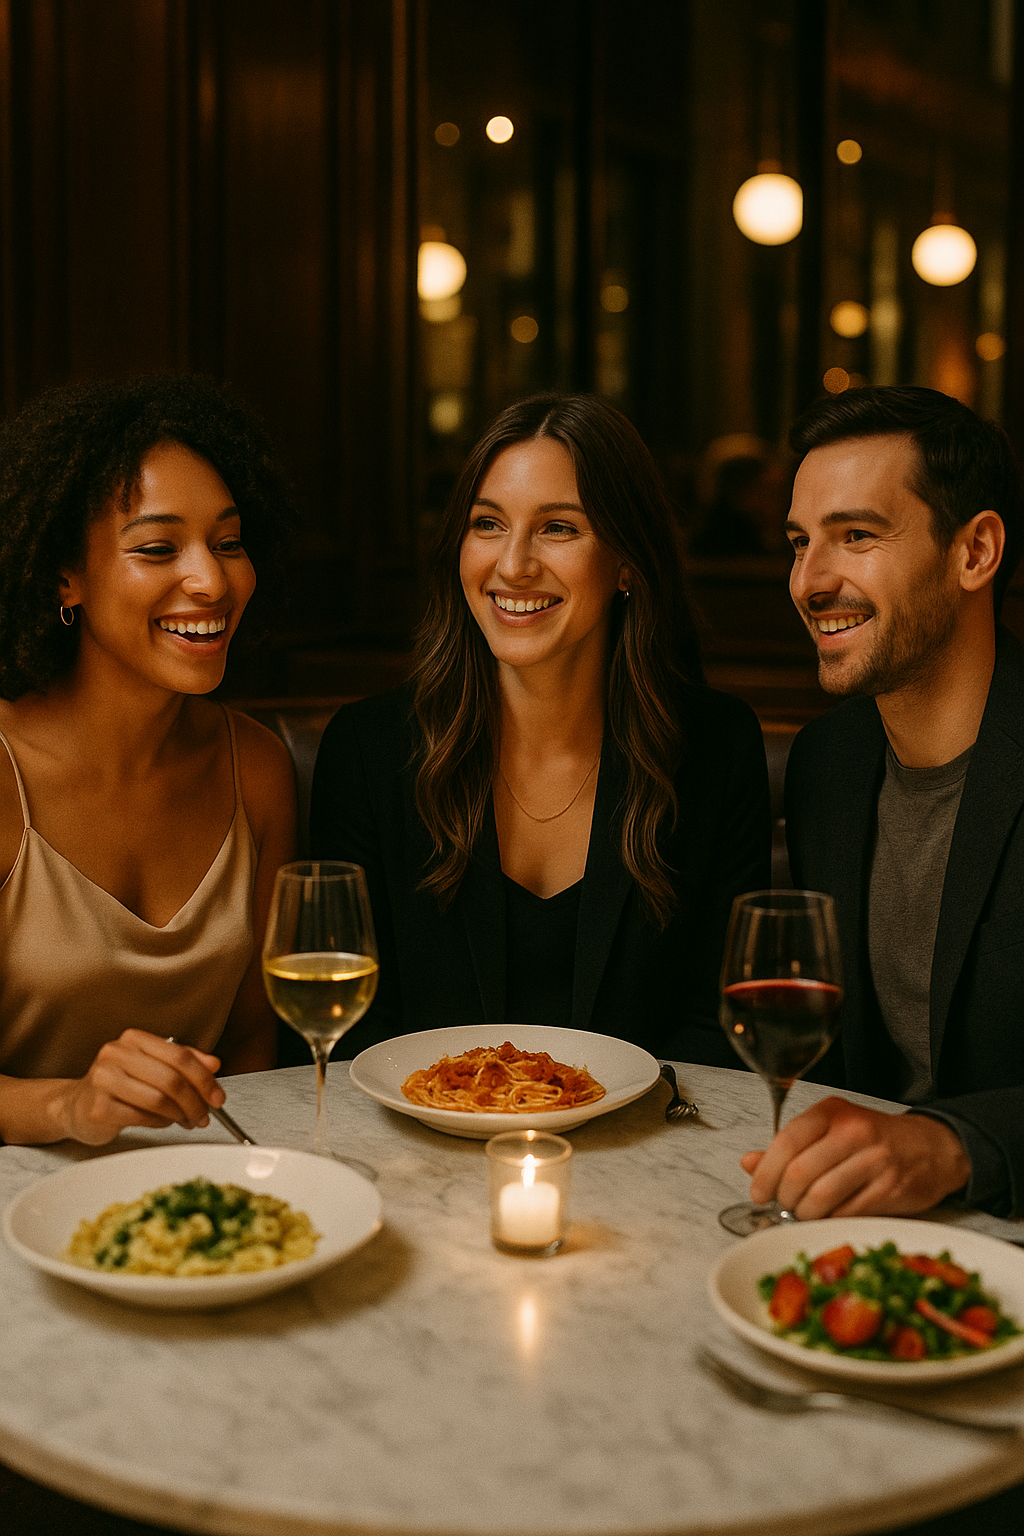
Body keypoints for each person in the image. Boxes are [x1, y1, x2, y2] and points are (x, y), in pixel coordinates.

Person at [310, 393, 770, 1060]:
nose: (514, 564)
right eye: (487, 524)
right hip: (414, 1125)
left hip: (655, 1126)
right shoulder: (368, 751)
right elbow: (351, 1032)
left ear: (627, 561)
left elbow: (720, 1027)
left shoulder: (715, 748)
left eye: (558, 527)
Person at [742, 384, 1024, 1218]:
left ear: (975, 552)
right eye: (800, 543)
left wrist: (953, 1146)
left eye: (857, 536)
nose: (809, 582)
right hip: (872, 1233)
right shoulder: (828, 764)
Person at [0, 374, 297, 1146]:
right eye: (158, 548)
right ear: (65, 575)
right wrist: (71, 1108)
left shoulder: (256, 769)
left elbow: (254, 1046)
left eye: (228, 543)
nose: (212, 580)